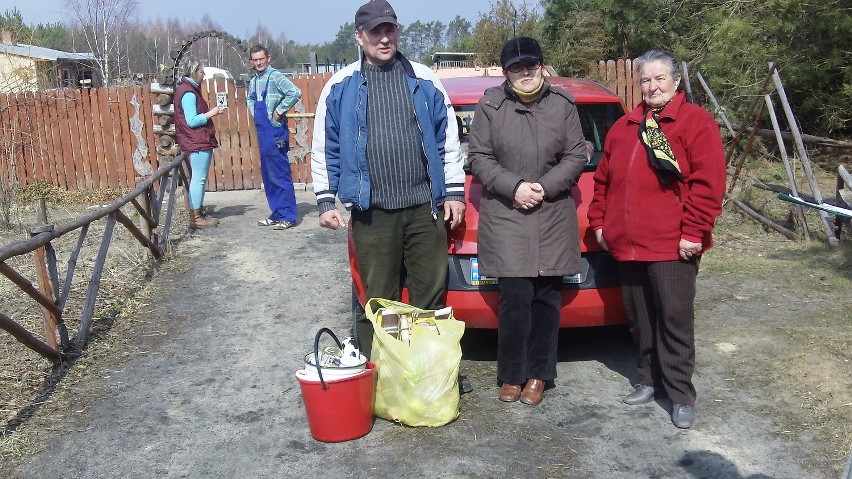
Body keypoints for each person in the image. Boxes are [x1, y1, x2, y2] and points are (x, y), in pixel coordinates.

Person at [311, 0, 466, 359]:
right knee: (379, 299)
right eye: (375, 31)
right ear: (359, 36)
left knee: (429, 296)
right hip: (372, 212)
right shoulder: (341, 85)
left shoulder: (424, 79)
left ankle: (428, 372)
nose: (384, 38)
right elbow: (325, 144)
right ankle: (382, 373)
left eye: (389, 30)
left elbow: (449, 141)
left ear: (397, 31)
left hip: (424, 209)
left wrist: (454, 192)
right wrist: (325, 199)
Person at [587, 49, 726, 428]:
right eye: (645, 79)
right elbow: (603, 181)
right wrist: (600, 223)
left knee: (674, 321)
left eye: (659, 78)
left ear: (676, 82)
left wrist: (694, 231)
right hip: (627, 245)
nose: (651, 86)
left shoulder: (694, 123)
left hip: (672, 244)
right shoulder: (625, 126)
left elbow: (708, 184)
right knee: (640, 319)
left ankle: (680, 394)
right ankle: (649, 380)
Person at [467, 37, 587, 406]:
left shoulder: (563, 104)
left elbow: (576, 154)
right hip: (507, 213)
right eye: (517, 68)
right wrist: (515, 187)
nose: (525, 73)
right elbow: (479, 157)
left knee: (548, 299)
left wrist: (544, 187)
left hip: (552, 214)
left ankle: (539, 375)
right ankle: (512, 374)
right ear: (506, 72)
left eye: (530, 66)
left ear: (541, 66)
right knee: (516, 298)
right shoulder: (490, 105)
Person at [247, 45, 303, 229]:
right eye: (255, 60)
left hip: (275, 131)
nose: (258, 63)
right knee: (269, 175)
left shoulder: (275, 76)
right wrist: (255, 112)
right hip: (263, 133)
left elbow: (295, 92)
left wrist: (278, 112)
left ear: (268, 58)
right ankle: (277, 213)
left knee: (280, 174)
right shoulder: (254, 81)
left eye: (261, 59)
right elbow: (250, 99)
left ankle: (288, 215)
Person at [173, 57, 225, 229]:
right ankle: (195, 217)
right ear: (193, 72)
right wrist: (212, 113)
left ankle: (198, 213)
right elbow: (192, 121)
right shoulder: (188, 92)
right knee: (198, 179)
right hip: (196, 140)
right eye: (201, 71)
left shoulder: (188, 89)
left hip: (196, 140)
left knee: (199, 179)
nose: (203, 75)